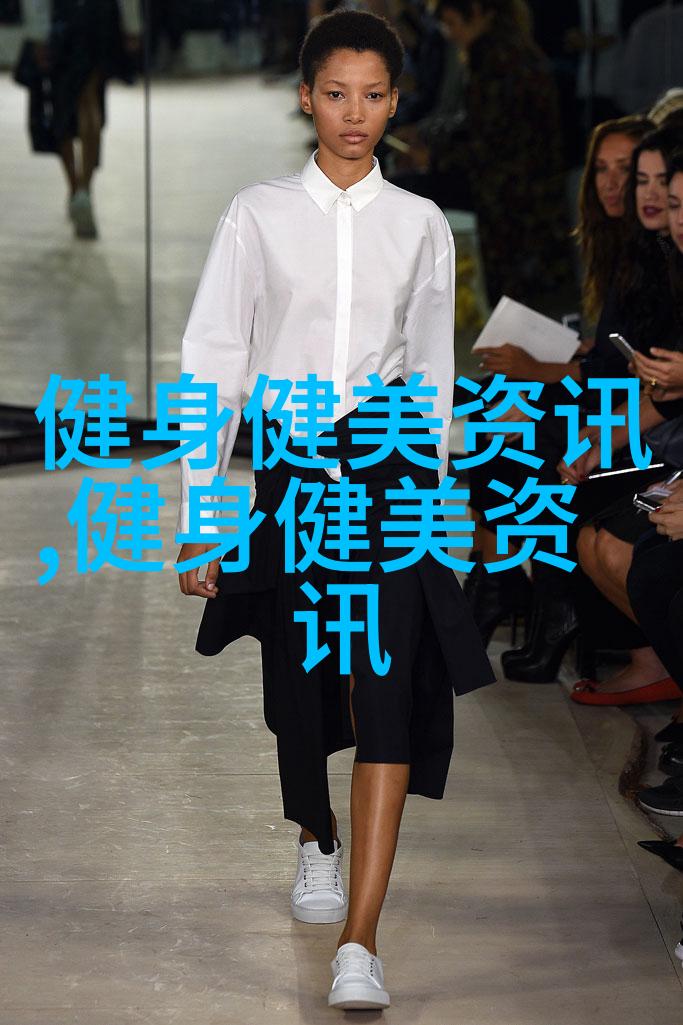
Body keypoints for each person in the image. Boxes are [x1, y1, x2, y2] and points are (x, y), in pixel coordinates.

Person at [175, 9, 494, 1012]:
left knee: (387, 681)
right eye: (335, 93)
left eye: (374, 94)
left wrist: (438, 501)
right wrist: (199, 508)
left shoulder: (420, 224)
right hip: (293, 465)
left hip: (390, 464)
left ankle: (361, 938)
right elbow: (213, 358)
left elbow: (431, 373)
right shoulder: (257, 214)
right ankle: (316, 834)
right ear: (306, 96)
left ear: (396, 102)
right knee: (304, 670)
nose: (354, 113)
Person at [463, 116, 650, 664]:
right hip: (613, 394)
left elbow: (635, 376)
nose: (613, 184)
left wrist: (548, 368)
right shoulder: (620, 246)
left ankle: (534, 591)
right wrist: (581, 352)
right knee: (494, 398)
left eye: (629, 171)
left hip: (638, 413)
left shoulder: (655, 253)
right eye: (602, 170)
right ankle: (503, 577)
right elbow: (620, 353)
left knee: (523, 421)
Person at [565, 126, 683, 703]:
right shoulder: (652, 258)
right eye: (646, 181)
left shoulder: (660, 264)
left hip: (668, 452)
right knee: (590, 527)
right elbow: (660, 392)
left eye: (669, 189)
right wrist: (601, 437)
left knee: (624, 546)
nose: (650, 197)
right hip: (664, 444)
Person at [389, 0, 571, 308]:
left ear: (476, 12)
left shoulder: (496, 58)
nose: (448, 33)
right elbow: (476, 122)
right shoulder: (504, 48)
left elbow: (491, 144)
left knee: (401, 192)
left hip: (511, 192)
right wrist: (425, 136)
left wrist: (432, 157)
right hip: (516, 184)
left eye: (452, 23)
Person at [21, 0, 142, 239]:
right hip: (98, 16)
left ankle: (75, 187)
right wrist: (132, 23)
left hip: (62, 18)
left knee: (61, 106)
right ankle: (85, 189)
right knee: (89, 99)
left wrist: (37, 30)